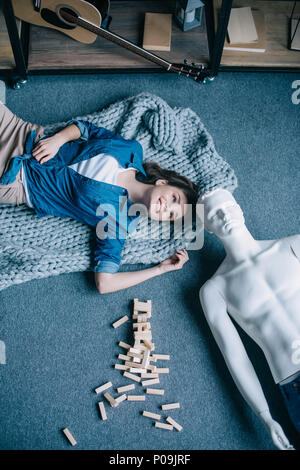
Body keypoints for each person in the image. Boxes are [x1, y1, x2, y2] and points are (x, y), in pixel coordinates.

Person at [0, 103, 198, 293]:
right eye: (175, 199)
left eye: (171, 215)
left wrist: (159, 269)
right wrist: (59, 139)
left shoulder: (118, 222)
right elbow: (86, 129)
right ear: (163, 183)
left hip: (16, 181)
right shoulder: (131, 150)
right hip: (23, 133)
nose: (166, 208)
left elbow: (105, 283)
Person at [199, 188, 300, 450]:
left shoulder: (294, 246)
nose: (225, 215)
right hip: (294, 382)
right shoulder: (214, 290)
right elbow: (235, 357)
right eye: (214, 213)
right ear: (206, 225)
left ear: (240, 209)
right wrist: (265, 416)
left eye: (229, 207)